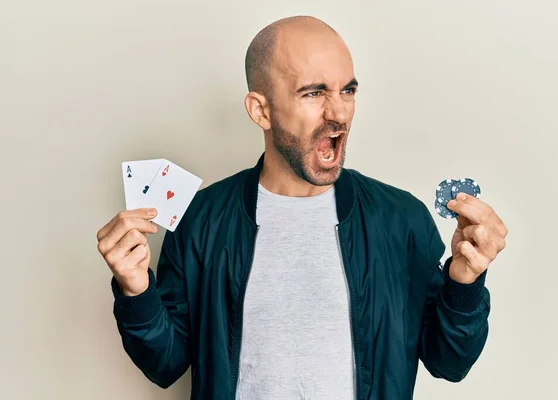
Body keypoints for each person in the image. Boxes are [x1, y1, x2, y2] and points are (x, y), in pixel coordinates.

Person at [96, 15, 508, 400]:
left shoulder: (401, 220)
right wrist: (137, 291)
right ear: (261, 110)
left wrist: (465, 282)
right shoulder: (202, 219)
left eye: (347, 90)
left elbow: (450, 362)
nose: (339, 112)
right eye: (314, 93)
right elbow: (165, 364)